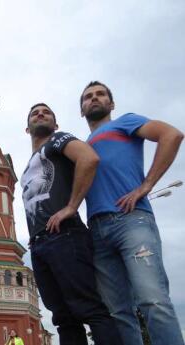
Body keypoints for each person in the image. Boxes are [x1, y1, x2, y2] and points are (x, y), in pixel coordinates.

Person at [80, 81, 184, 345]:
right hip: (97, 231)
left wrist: (147, 185)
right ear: (82, 109)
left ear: (111, 104)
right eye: (88, 97)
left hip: (131, 220)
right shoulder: (83, 146)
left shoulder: (125, 122)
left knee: (152, 299)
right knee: (117, 312)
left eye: (100, 95)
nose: (94, 99)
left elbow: (171, 135)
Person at [21, 103, 122, 345]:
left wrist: (71, 206)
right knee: (63, 318)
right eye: (35, 113)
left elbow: (88, 158)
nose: (40, 114)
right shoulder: (28, 165)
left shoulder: (58, 139)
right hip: (39, 243)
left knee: (88, 307)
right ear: (27, 129)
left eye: (46, 112)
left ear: (55, 124)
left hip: (64, 235)